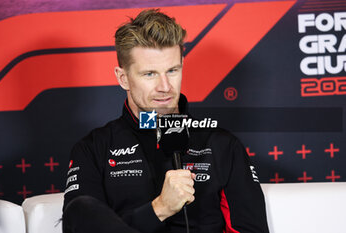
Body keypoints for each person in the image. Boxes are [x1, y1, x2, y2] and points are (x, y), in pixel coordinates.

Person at [62, 9, 269, 233]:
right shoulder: (94, 149)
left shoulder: (221, 144)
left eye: (172, 70)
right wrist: (160, 208)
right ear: (123, 78)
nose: (165, 87)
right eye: (149, 74)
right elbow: (80, 227)